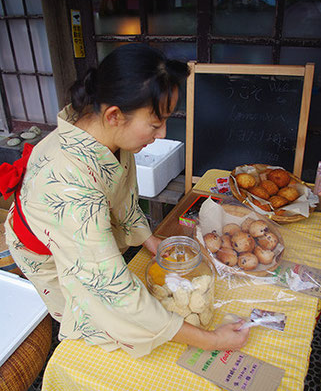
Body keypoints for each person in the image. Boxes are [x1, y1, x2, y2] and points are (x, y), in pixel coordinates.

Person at [1, 44, 249, 358]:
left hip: (75, 227)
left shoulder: (106, 134)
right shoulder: (70, 188)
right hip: (45, 249)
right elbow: (112, 289)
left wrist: (150, 241)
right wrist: (212, 340)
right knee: (92, 318)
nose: (162, 134)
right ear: (115, 115)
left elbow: (122, 198)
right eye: (156, 123)